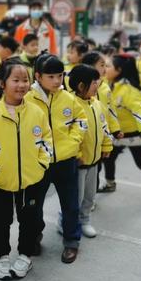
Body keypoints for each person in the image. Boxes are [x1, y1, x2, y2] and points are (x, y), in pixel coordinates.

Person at [0, 58, 52, 280]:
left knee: (30, 219)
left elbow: (46, 139)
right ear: (2, 83)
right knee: (1, 220)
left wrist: (42, 162)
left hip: (31, 179)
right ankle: (2, 257)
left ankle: (25, 256)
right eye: (15, 80)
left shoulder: (37, 112)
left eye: (25, 80)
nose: (21, 85)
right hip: (1, 180)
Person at [26, 54, 87, 264]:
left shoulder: (68, 98)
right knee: (34, 206)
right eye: (50, 76)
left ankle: (71, 242)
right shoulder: (27, 99)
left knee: (70, 204)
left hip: (66, 161)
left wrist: (73, 142)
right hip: (38, 163)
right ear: (38, 76)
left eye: (60, 75)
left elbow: (81, 120)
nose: (56, 80)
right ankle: (34, 236)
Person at [102, 55, 141, 202]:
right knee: (108, 158)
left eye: (108, 66)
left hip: (133, 134)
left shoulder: (129, 90)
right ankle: (110, 183)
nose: (105, 69)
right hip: (116, 133)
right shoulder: (106, 84)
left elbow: (139, 111)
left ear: (118, 70)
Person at [67, 65, 112, 238]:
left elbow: (104, 126)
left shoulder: (97, 104)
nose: (98, 85)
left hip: (94, 161)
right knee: (74, 199)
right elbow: (67, 135)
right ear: (81, 86)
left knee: (89, 196)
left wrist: (106, 146)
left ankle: (85, 220)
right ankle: (68, 222)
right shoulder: (71, 104)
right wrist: (76, 154)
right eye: (94, 83)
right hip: (78, 163)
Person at [82, 51, 121, 139]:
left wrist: (115, 129)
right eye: (102, 65)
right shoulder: (82, 87)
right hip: (88, 133)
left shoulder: (105, 86)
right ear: (90, 66)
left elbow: (111, 109)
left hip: (104, 132)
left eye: (106, 66)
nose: (105, 69)